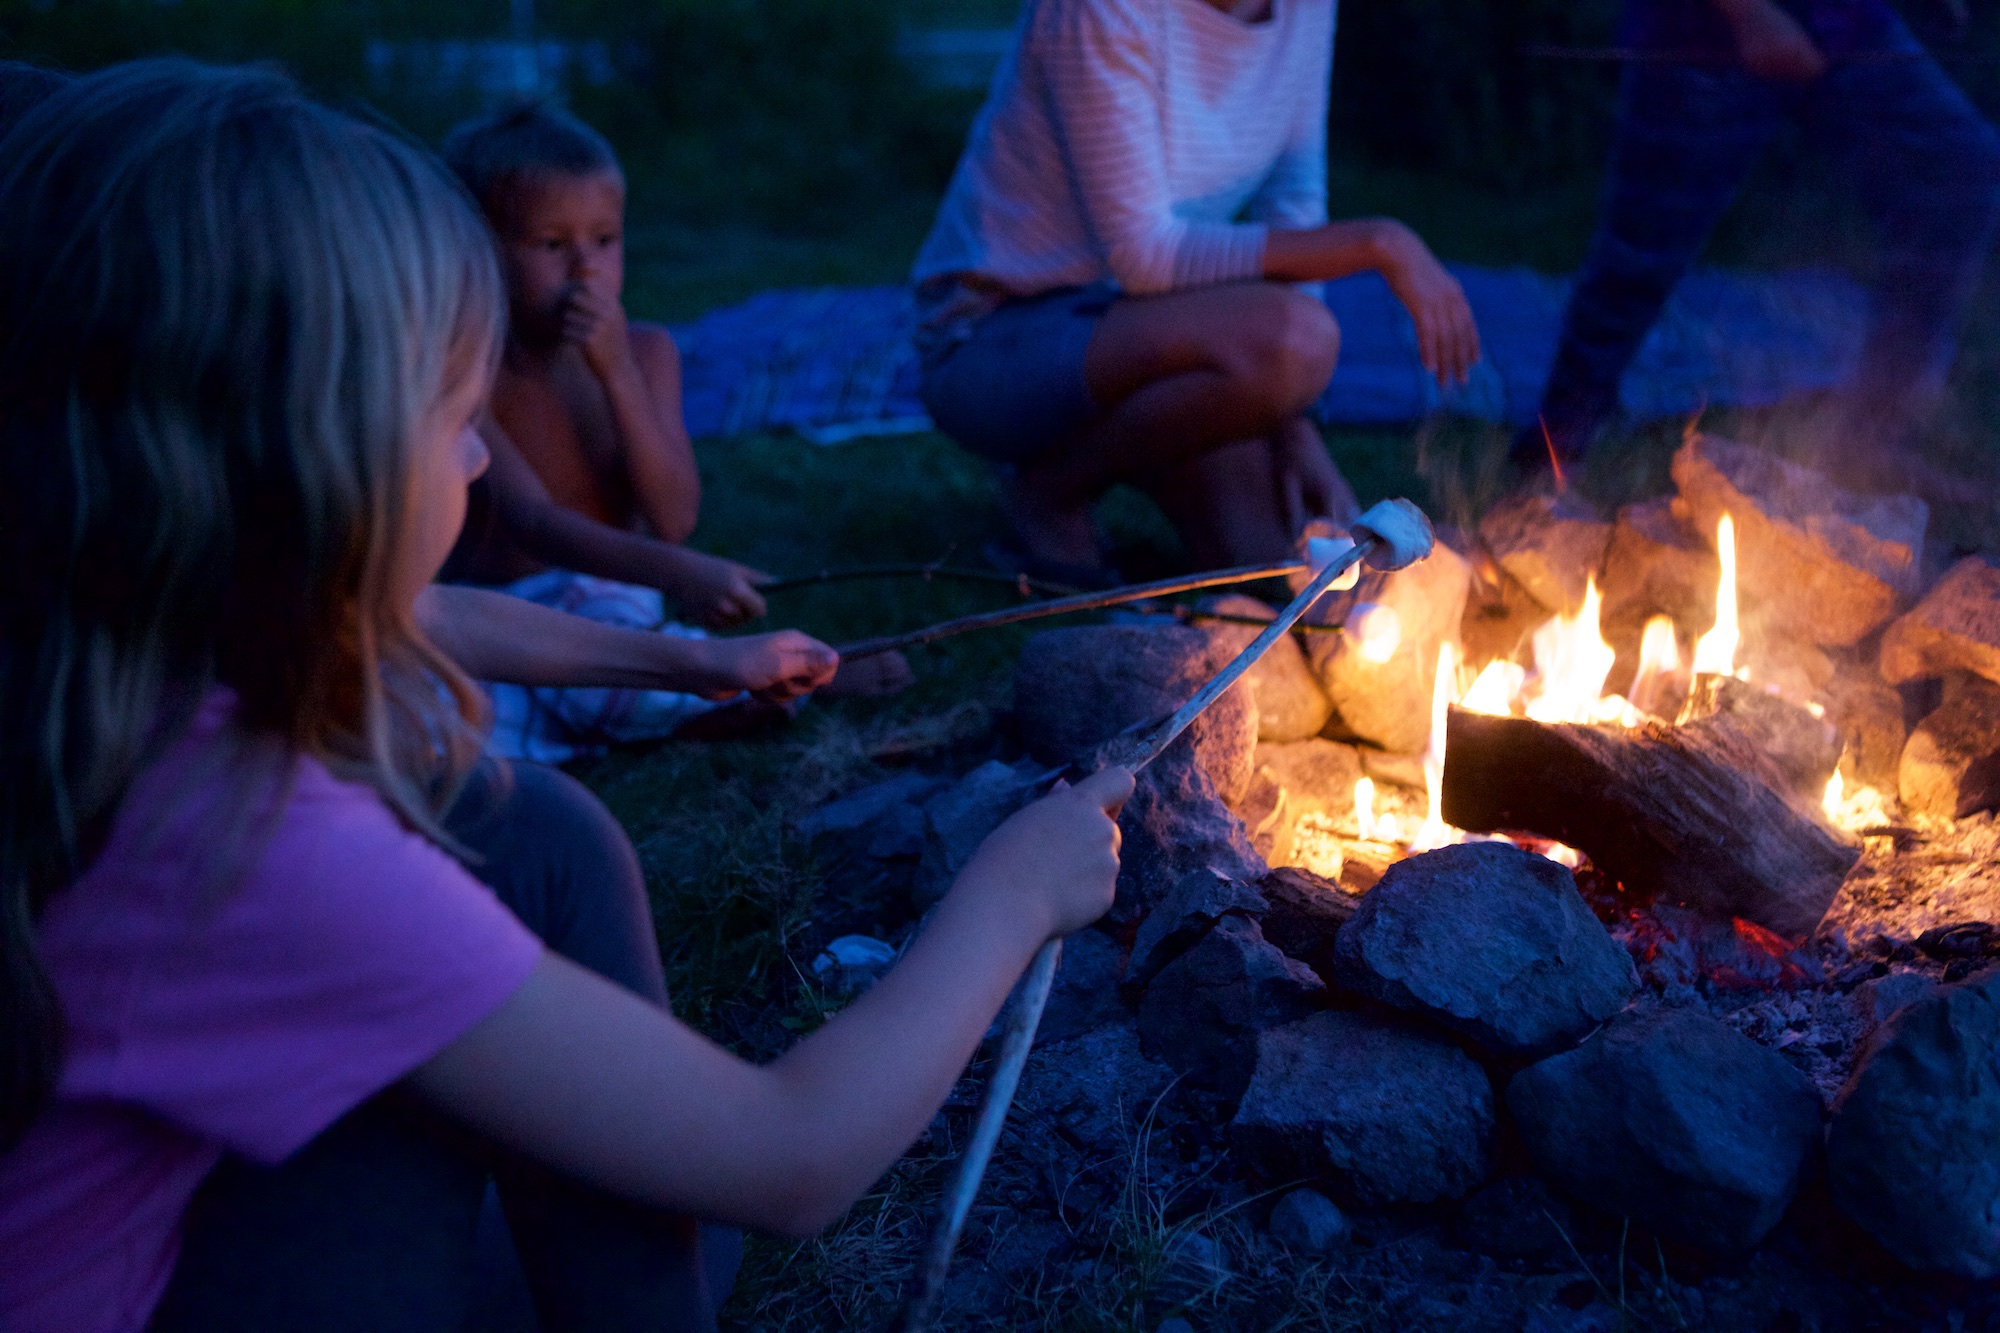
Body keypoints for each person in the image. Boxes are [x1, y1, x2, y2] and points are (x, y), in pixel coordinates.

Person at [0, 60, 1133, 1333]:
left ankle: (619, 1253)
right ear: (302, 472)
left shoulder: (95, 633)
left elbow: (429, 613)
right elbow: (792, 1158)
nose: (479, 453)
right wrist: (1014, 892)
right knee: (675, 1173)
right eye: (447, 418)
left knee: (534, 827)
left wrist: (694, 660)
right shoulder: (236, 836)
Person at [911, 0, 1481, 582]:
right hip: (996, 336)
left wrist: (1293, 415)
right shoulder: (1101, 9)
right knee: (1296, 337)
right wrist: (1379, 241)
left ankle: (1103, 466)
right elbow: (1145, 255)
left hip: (1149, 327)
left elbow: (1292, 195)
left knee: (1270, 568)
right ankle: (1048, 491)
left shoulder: (1306, 8)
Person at [438, 102, 910, 759]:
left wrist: (618, 375)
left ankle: (762, 687)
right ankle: (710, 692)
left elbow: (674, 518)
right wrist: (680, 573)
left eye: (604, 240)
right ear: (481, 249)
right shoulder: (472, 371)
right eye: (552, 244)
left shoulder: (649, 352)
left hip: (615, 604)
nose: (585, 269)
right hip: (497, 609)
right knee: (467, 711)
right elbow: (531, 523)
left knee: (605, 640)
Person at [1513, 0, 2000, 498]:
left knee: (1959, 179)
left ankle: (1868, 450)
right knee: (1639, 257)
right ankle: (1545, 465)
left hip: (1846, 20)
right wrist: (1748, 13)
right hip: (1707, 32)